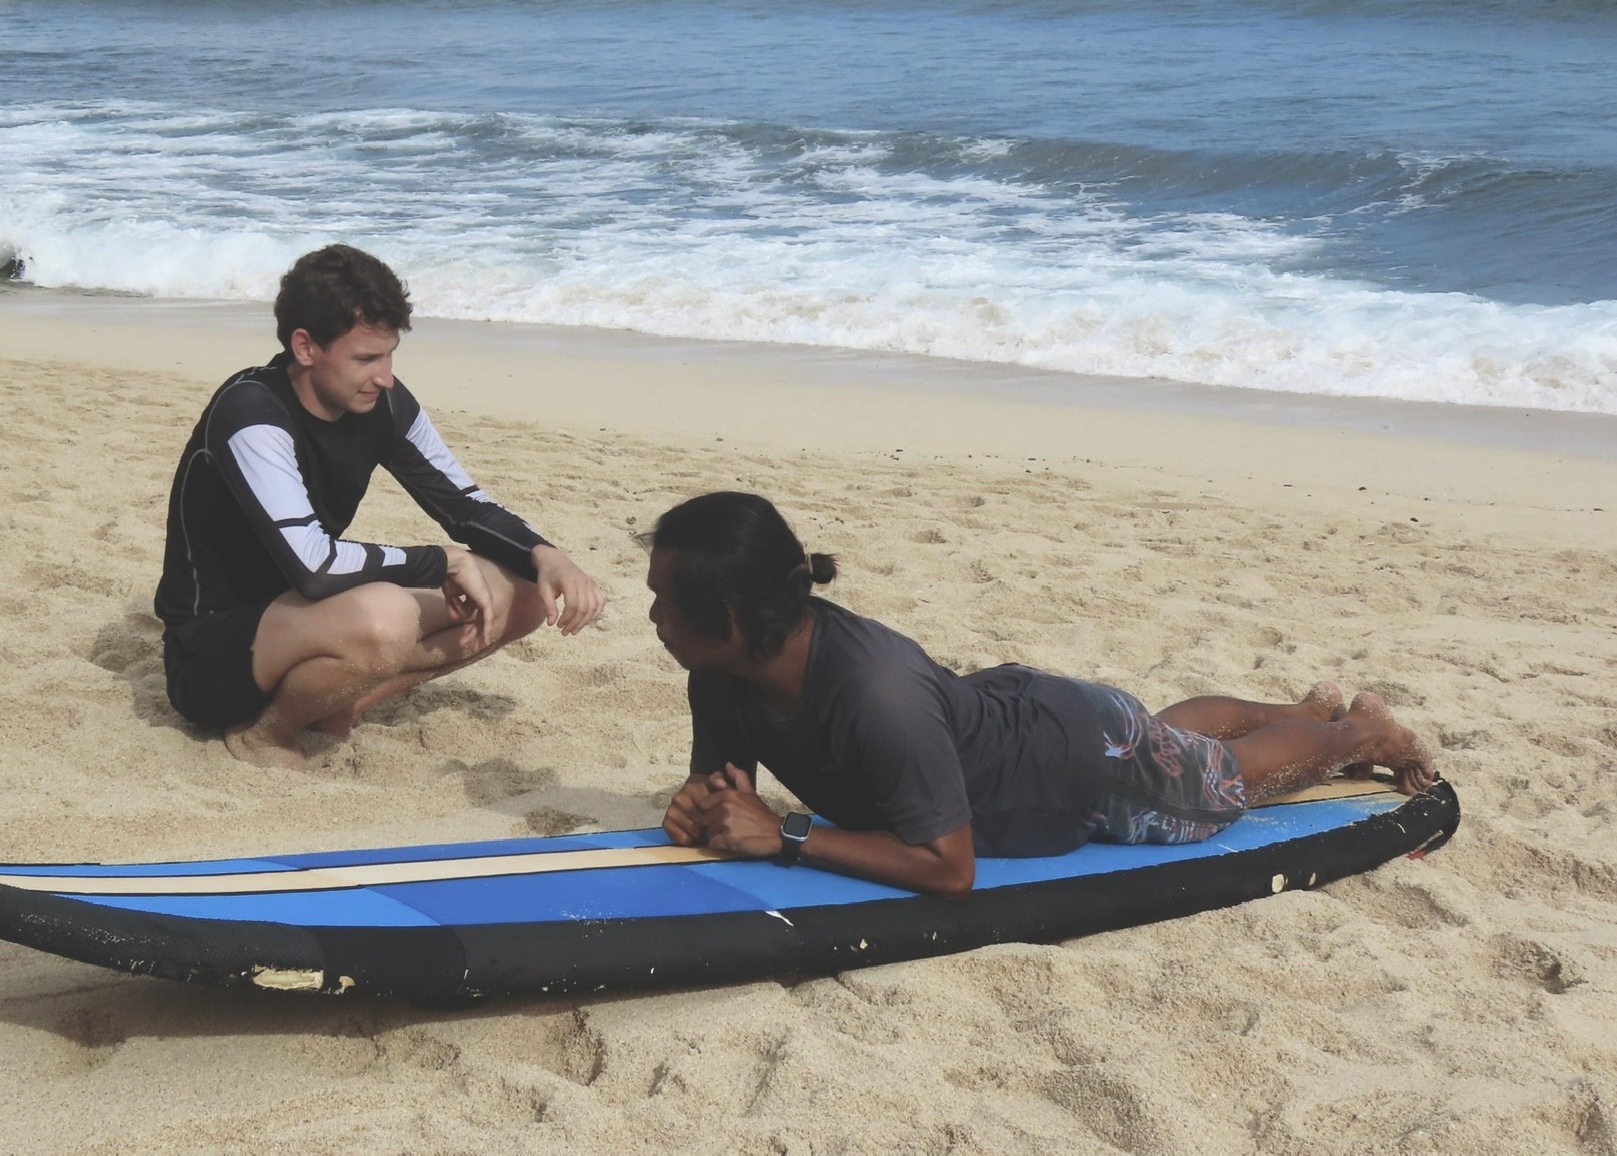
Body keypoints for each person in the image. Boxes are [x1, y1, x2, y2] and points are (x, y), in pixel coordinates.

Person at [648, 492, 1436, 896]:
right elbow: (725, 791)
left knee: (1220, 784)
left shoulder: (875, 696)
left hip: (1074, 766)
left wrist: (787, 834)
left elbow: (951, 870)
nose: (652, 615)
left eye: (664, 602)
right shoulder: (720, 672)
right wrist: (700, 807)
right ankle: (1304, 712)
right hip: (1033, 725)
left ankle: (1359, 732)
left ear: (730, 620)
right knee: (1165, 746)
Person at [155, 245, 605, 767]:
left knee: (523, 591)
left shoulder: (383, 403)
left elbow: (463, 504)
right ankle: (265, 733)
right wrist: (441, 561)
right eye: (366, 359)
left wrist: (548, 555)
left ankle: (338, 699)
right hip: (214, 655)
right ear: (305, 346)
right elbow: (314, 566)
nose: (385, 376)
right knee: (386, 617)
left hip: (317, 616)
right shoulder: (251, 411)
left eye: (390, 355)